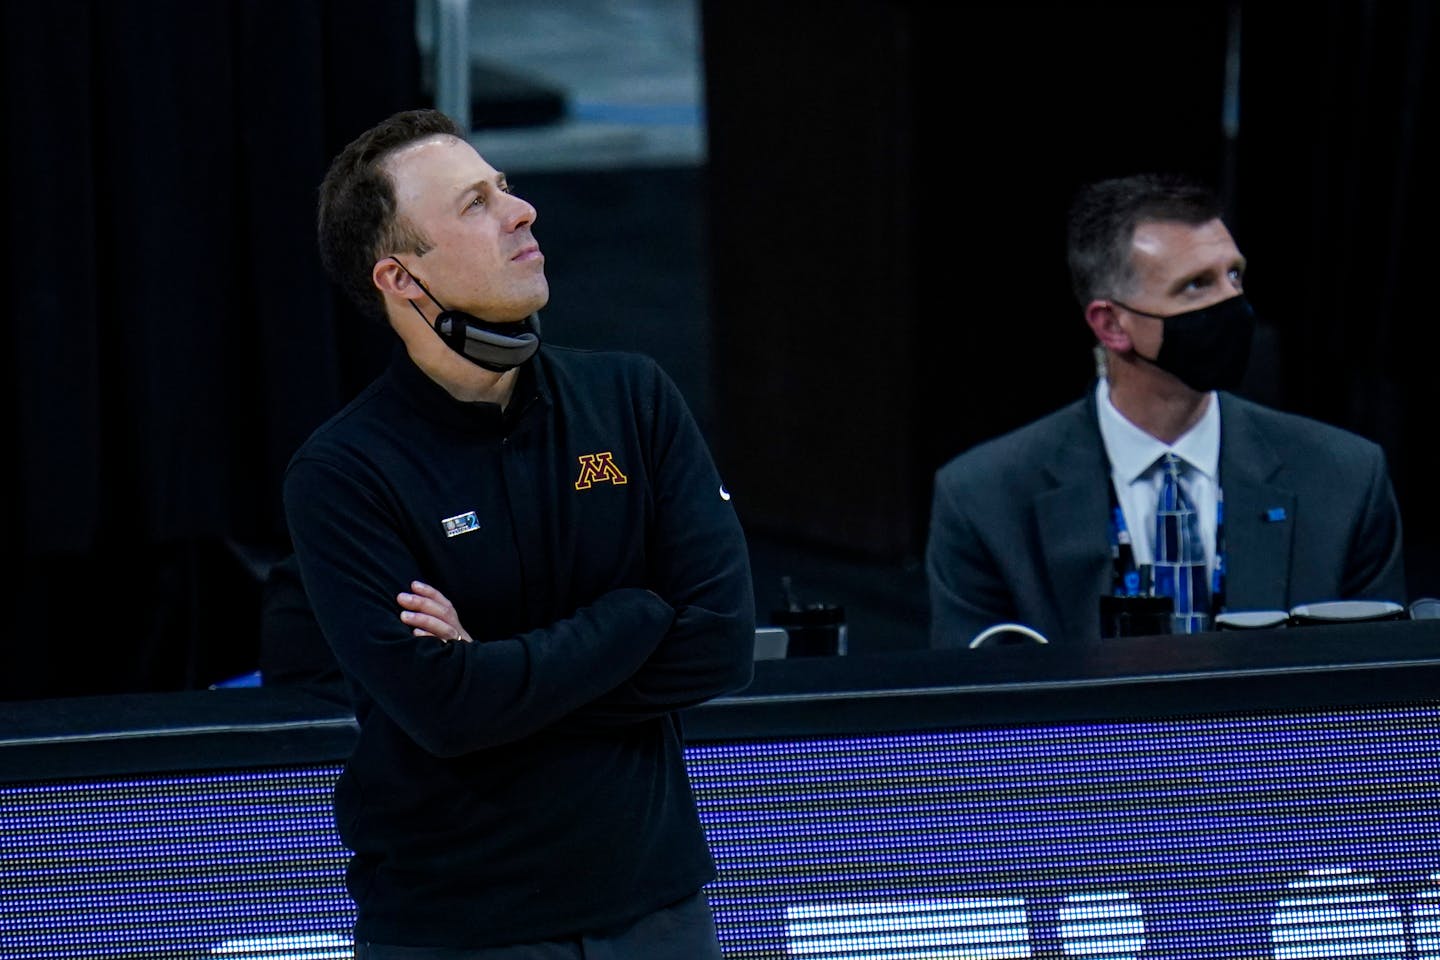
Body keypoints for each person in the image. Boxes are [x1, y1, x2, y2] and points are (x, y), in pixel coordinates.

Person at [283, 108, 756, 957]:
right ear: (401, 280)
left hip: (655, 912)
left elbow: (721, 646)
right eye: (473, 204)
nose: (521, 209)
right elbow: (445, 712)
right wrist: (632, 617)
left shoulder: (633, 400)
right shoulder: (343, 474)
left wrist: (498, 669)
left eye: (503, 186)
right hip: (457, 927)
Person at [926, 172, 1405, 648]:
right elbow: (976, 714)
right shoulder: (985, 501)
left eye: (1233, 274)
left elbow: (1376, 700)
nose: (1232, 304)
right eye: (1196, 286)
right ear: (1111, 324)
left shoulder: (1344, 481)